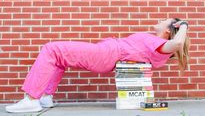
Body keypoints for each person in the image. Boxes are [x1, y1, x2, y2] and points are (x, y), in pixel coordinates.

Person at [5, 18, 189, 113]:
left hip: (107, 54)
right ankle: (45, 97)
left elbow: (178, 44)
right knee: (59, 59)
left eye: (165, 19)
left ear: (168, 30)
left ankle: (31, 100)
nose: (161, 19)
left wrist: (183, 26)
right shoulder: (157, 46)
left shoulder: (158, 44)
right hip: (106, 53)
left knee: (51, 49)